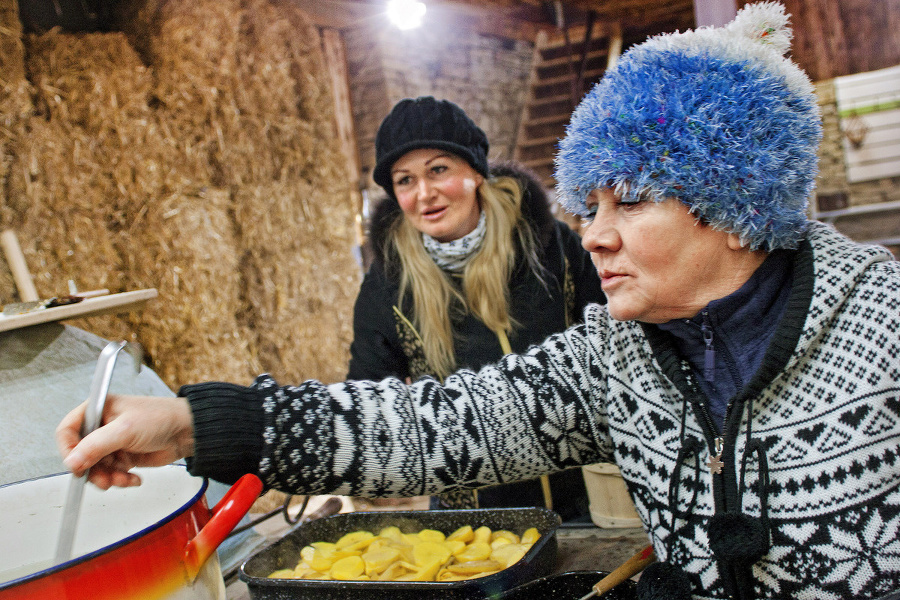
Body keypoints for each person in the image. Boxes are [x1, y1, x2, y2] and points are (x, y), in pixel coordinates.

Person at [57, 4, 900, 599]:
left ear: (737, 206)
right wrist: (196, 425)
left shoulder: (883, 326)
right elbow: (425, 423)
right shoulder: (614, 353)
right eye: (590, 206)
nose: (596, 235)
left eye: (630, 201)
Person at [347, 96, 603, 518]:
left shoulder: (550, 246)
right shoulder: (389, 283)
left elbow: (612, 336)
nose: (424, 193)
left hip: (585, 501)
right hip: (471, 519)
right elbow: (367, 394)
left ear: (476, 172)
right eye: (405, 180)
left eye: (439, 170)